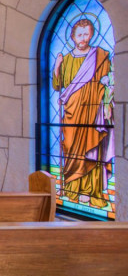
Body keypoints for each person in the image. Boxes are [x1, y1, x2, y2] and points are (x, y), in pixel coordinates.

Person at [52, 17, 114, 208]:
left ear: (92, 34)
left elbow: (108, 81)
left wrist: (106, 104)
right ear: (72, 36)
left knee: (93, 149)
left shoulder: (100, 55)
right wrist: (57, 65)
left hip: (92, 113)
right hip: (72, 112)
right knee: (71, 149)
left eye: (87, 34)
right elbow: (58, 85)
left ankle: (92, 191)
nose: (84, 38)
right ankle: (72, 188)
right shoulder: (67, 59)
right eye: (80, 34)